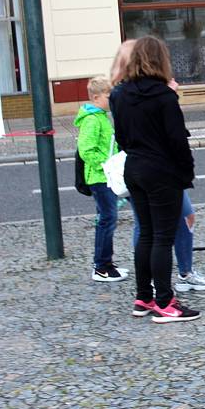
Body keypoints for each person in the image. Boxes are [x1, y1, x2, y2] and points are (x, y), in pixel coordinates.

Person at [112, 41, 205, 293]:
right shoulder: (162, 95)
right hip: (161, 171)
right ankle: (165, 298)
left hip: (135, 167)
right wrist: (185, 173)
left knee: (150, 232)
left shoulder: (121, 94)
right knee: (159, 236)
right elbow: (177, 140)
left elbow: (122, 138)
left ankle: (145, 296)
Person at [75, 76, 128, 282]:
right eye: (108, 95)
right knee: (107, 219)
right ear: (96, 97)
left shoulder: (101, 117)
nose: (111, 98)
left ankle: (105, 263)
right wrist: (107, 164)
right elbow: (86, 150)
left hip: (104, 176)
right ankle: (101, 266)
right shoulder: (92, 120)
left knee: (106, 219)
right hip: (100, 177)